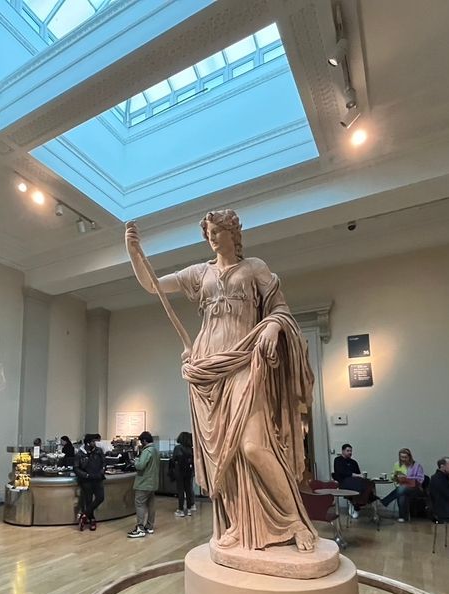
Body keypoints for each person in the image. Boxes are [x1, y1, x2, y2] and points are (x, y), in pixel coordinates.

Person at [126, 212, 317, 554]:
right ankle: (237, 524)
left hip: (243, 361)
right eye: (209, 233)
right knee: (222, 455)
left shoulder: (254, 267)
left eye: (218, 231)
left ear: (233, 233)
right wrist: (133, 253)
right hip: (208, 370)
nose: (212, 238)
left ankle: (294, 521)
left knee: (252, 446)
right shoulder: (200, 273)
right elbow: (153, 285)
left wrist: (273, 325)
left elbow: (281, 309)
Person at [128, 431, 160, 538]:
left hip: (144, 483)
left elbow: (140, 466)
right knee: (151, 505)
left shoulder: (147, 451)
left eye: (142, 442)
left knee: (140, 504)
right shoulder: (155, 450)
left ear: (145, 441)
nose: (141, 444)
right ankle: (149, 526)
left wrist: (135, 462)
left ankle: (140, 528)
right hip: (153, 482)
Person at [380, 448, 424, 522]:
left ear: (409, 457)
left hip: (415, 488)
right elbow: (392, 477)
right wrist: (395, 477)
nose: (403, 459)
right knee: (402, 494)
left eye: (405, 457)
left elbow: (420, 479)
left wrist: (408, 478)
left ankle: (385, 501)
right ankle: (403, 517)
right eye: (402, 457)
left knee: (401, 489)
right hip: (401, 486)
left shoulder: (417, 465)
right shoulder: (397, 465)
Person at [74, 434, 105, 531]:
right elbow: (76, 468)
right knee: (88, 500)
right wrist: (86, 475)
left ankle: (84, 515)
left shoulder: (99, 451)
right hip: (86, 480)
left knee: (100, 497)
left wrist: (102, 470)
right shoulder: (80, 454)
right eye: (93, 442)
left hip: (98, 478)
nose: (95, 443)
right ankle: (92, 519)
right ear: (88, 443)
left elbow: (103, 462)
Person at [332, 443, 370, 519]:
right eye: (348, 451)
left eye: (351, 451)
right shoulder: (338, 460)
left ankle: (357, 503)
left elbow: (358, 473)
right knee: (356, 485)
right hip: (343, 481)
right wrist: (354, 475)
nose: (350, 452)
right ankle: (355, 506)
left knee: (368, 484)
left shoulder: (353, 462)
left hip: (354, 481)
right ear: (343, 451)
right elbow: (341, 472)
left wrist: (360, 477)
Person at [171, 431, 196, 517]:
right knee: (188, 490)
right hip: (188, 472)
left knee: (180, 491)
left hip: (179, 472)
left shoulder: (177, 448)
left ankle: (180, 510)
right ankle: (189, 509)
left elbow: (173, 460)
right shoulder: (191, 449)